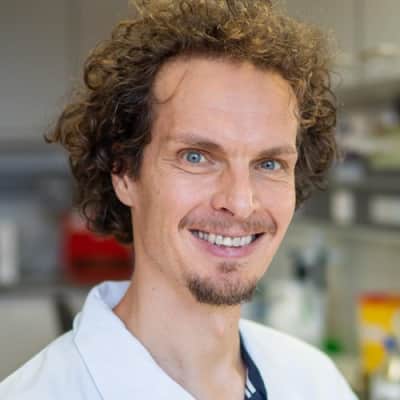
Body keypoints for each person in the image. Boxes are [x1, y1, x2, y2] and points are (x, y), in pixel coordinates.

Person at [0, 1, 358, 399]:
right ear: (124, 172)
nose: (241, 202)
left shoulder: (315, 382)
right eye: (196, 157)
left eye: (269, 163)